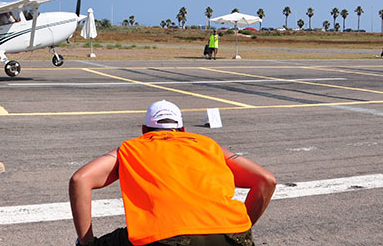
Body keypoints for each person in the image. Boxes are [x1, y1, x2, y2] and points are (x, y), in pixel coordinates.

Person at [69, 100, 277, 246]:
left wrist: (86, 242)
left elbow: (80, 179)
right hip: (233, 235)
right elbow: (266, 180)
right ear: (183, 130)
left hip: (165, 238)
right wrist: (234, 228)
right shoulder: (207, 145)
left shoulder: (131, 148)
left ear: (143, 130)